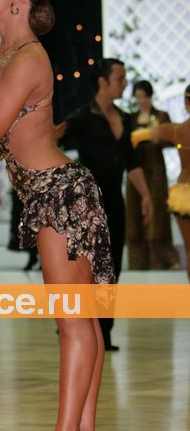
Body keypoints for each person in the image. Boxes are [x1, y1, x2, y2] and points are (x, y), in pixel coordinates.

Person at [0, 0, 115, 431]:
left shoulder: (27, 58)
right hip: (47, 192)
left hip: (60, 193)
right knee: (80, 320)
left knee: (72, 321)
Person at [55, 58, 153, 352]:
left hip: (115, 203)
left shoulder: (124, 118)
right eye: (120, 78)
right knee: (87, 270)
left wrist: (146, 195)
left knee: (113, 268)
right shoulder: (82, 117)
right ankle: (77, 326)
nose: (124, 83)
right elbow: (53, 139)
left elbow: (131, 162)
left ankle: (104, 333)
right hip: (88, 206)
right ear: (103, 81)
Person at [133, 84, 190, 281]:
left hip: (184, 193)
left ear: (186, 103)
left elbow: (139, 136)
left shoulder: (177, 130)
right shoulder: (174, 130)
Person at [126, 80, 180, 270]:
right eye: (138, 97)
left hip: (155, 169)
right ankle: (138, 262)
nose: (141, 101)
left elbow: (173, 140)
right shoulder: (130, 118)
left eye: (144, 97)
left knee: (157, 212)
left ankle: (161, 260)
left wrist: (159, 139)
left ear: (150, 97)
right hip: (135, 169)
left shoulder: (161, 116)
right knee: (134, 212)